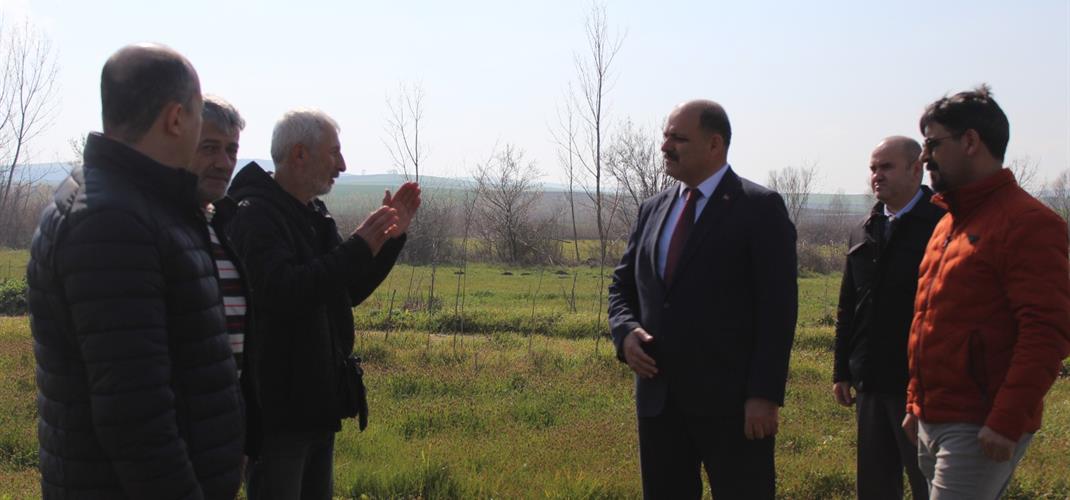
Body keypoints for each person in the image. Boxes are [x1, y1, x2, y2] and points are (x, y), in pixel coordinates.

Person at [27, 44, 244, 498]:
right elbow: (135, 417)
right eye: (199, 114)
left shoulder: (144, 203)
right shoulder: (111, 222)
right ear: (176, 118)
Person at [224, 108, 420, 499]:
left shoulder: (312, 212)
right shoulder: (256, 215)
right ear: (300, 154)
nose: (342, 165)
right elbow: (284, 291)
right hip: (279, 411)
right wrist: (359, 246)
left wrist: (386, 242)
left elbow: (344, 292)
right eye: (334, 153)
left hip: (316, 405)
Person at [607, 99, 798, 499]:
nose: (665, 146)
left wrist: (763, 395)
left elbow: (777, 309)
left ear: (715, 145)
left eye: (678, 138)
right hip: (659, 401)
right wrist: (625, 334)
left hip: (732, 405)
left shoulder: (758, 208)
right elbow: (623, 287)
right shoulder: (653, 209)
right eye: (665, 136)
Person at [902, 85, 1070, 498]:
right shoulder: (948, 221)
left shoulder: (1028, 223)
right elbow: (931, 318)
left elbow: (1046, 331)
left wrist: (1006, 420)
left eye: (933, 144)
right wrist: (914, 403)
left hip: (979, 424)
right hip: (932, 417)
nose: (925, 157)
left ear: (971, 141)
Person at [833, 136, 942, 499]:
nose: (876, 176)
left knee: (928, 482)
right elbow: (849, 304)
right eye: (873, 168)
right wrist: (842, 371)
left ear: (917, 169)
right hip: (872, 383)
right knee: (876, 485)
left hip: (924, 385)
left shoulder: (942, 223)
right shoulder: (865, 228)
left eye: (886, 167)